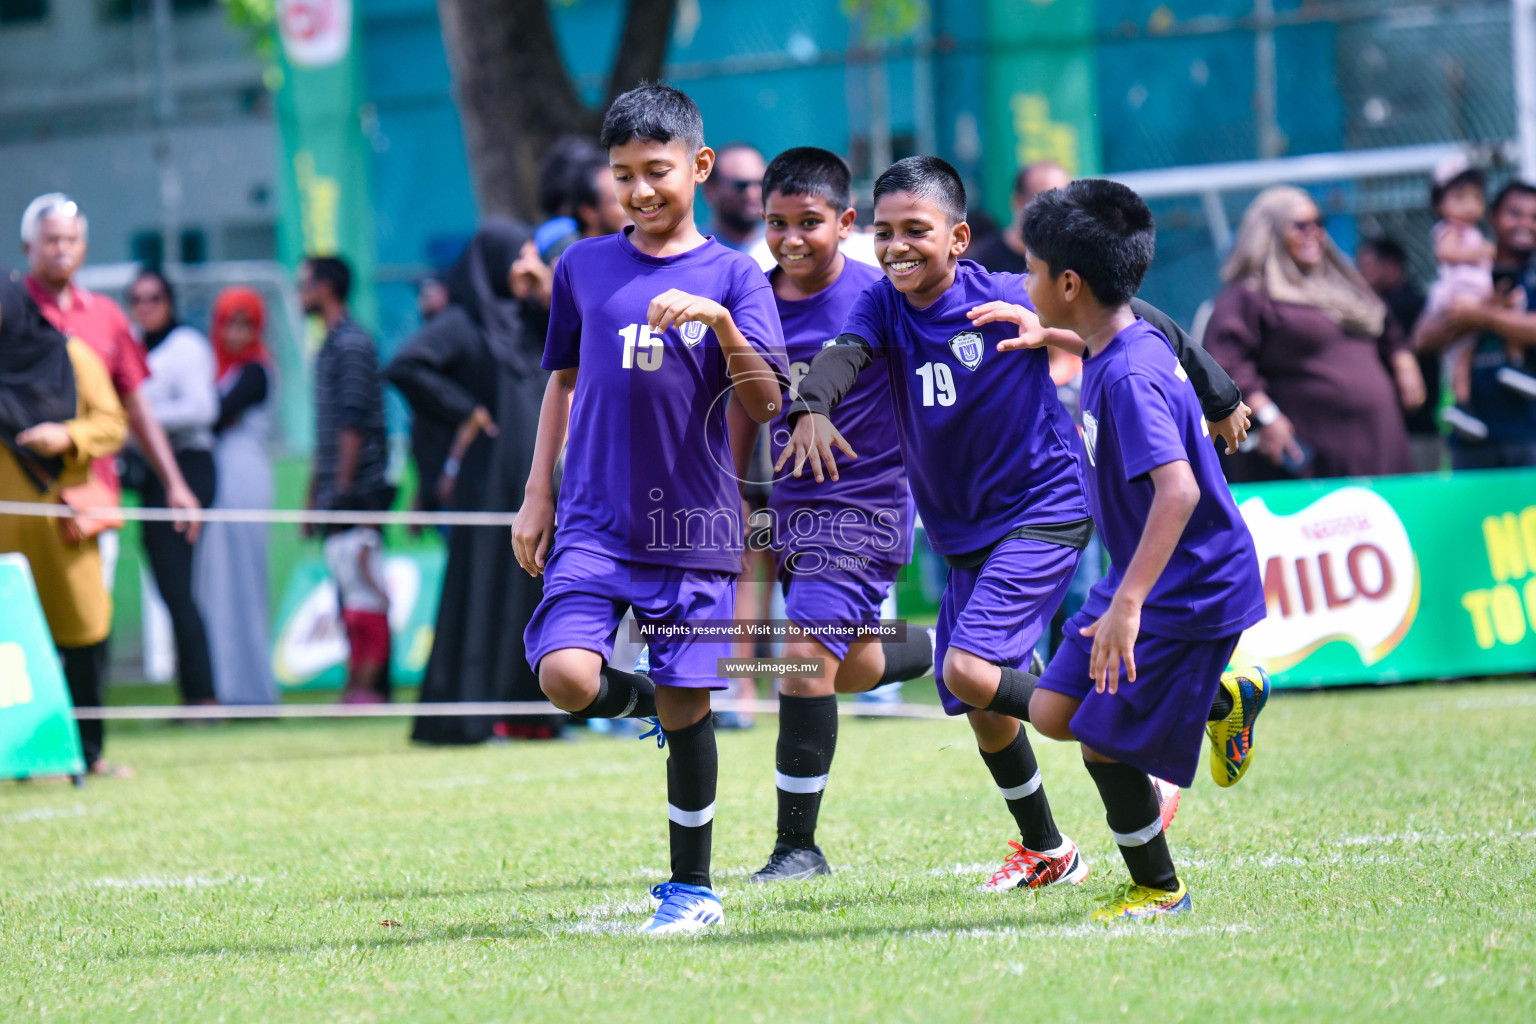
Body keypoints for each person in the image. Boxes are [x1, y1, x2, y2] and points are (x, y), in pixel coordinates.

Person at [782, 157, 1248, 899]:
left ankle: (1149, 729)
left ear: (959, 237)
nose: (896, 246)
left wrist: (1218, 392)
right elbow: (843, 356)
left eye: (916, 231)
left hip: (1044, 508)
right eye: (885, 231)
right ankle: (1049, 847)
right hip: (963, 533)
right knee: (978, 705)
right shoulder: (880, 307)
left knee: (968, 671)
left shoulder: (1008, 294)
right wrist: (812, 405)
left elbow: (1133, 312)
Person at [511, 85, 788, 935]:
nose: (639, 191)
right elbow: (561, 383)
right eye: (624, 174)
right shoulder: (583, 267)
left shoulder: (737, 276)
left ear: (699, 167)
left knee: (691, 710)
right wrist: (537, 492)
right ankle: (655, 706)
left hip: (693, 529)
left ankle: (692, 889)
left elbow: (771, 401)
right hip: (593, 520)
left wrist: (722, 324)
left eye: (657, 172)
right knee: (565, 676)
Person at [1012, 179, 1270, 923]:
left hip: (1183, 589)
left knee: (1104, 746)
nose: (1023, 281)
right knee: (1059, 713)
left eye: (1031, 270)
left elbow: (1180, 491)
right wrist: (1052, 334)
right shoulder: (1115, 339)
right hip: (1142, 577)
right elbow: (1118, 340)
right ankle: (1223, 697)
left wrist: (1128, 602)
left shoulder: (1127, 375)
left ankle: (1160, 890)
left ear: (1068, 283)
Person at [742, 148, 936, 883]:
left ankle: (798, 848)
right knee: (844, 665)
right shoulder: (753, 301)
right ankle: (968, 650)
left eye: (810, 223)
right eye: (776, 223)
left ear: (847, 223)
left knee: (798, 663)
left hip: (866, 508)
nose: (791, 238)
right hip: (794, 512)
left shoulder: (882, 296)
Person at [388, 220, 556, 743]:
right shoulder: (465, 322)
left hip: (535, 482)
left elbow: (581, 330)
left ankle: (532, 715)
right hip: (488, 481)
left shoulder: (531, 321)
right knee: (484, 587)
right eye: (519, 254)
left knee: (533, 593)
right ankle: (470, 718)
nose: (527, 264)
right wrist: (466, 410)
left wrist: (541, 280)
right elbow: (406, 365)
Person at [19, 194, 202, 594]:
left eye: (70, 240)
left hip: (91, 496)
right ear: (27, 247)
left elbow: (136, 407)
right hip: (19, 496)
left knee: (89, 633)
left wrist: (175, 482)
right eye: (51, 240)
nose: (61, 249)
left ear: (83, 248)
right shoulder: (9, 310)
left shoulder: (107, 316)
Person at [1204, 186, 1423, 481]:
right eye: (1300, 226)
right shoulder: (1251, 296)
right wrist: (1268, 417)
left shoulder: (1343, 286)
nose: (1313, 233)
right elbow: (1225, 366)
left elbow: (1386, 329)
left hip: (1381, 442)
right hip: (1317, 460)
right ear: (1270, 232)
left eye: (1318, 224)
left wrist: (1405, 362)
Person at [0, 270, 128, 775]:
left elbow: (113, 422)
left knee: (83, 631)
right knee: (10, 643)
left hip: (63, 523)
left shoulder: (70, 356)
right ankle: (19, 757)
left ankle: (89, 753)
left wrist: (67, 436)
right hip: (6, 529)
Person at [124, 268, 220, 708]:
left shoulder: (186, 346)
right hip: (151, 474)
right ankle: (194, 693)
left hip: (186, 467)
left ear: (170, 301)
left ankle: (202, 696)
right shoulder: (133, 346)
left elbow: (202, 407)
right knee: (169, 588)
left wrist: (142, 421)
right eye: (138, 298)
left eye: (155, 297)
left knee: (180, 588)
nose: (146, 306)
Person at [300, 255, 393, 703]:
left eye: (306, 284)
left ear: (326, 288)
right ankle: (358, 685)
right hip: (339, 493)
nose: (300, 294)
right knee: (349, 595)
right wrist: (313, 496)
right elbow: (328, 431)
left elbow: (353, 424)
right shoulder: (332, 343)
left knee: (365, 594)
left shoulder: (352, 343)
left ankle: (371, 689)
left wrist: (339, 492)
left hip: (359, 495)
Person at [1415, 181, 1536, 468]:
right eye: (1515, 214)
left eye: (1534, 217)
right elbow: (1422, 339)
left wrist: (1482, 315)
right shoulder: (1466, 272)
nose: (1526, 224)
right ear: (1492, 216)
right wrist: (1477, 313)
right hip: (1471, 441)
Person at [196, 287, 278, 705]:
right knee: (219, 585)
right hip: (220, 477)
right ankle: (225, 687)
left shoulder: (256, 370)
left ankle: (251, 690)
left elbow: (216, 413)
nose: (236, 333)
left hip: (243, 476)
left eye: (246, 323)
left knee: (243, 584)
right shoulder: (218, 369)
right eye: (230, 322)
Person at [1357, 238, 1439, 471]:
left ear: (1391, 265)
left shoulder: (1403, 307)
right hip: (1404, 428)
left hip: (1413, 427)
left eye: (1367, 265)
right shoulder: (1417, 302)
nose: (1362, 273)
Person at [1424, 160, 1496, 407]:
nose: (1469, 205)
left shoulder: (1475, 233)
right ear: (1440, 204)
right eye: (1459, 197)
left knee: (1463, 356)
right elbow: (1445, 254)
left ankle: (1462, 405)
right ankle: (1455, 404)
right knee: (1454, 358)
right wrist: (1478, 254)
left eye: (1476, 198)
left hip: (1476, 297)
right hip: (1458, 296)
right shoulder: (1451, 230)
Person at [968, 160, 1072, 276]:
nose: (1057, 211)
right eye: (1047, 201)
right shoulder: (981, 265)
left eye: (1066, 202)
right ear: (1018, 201)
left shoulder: (1076, 259)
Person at [703, 142, 767, 255]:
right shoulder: (693, 250)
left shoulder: (782, 251)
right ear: (710, 189)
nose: (754, 193)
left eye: (761, 183)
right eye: (741, 185)